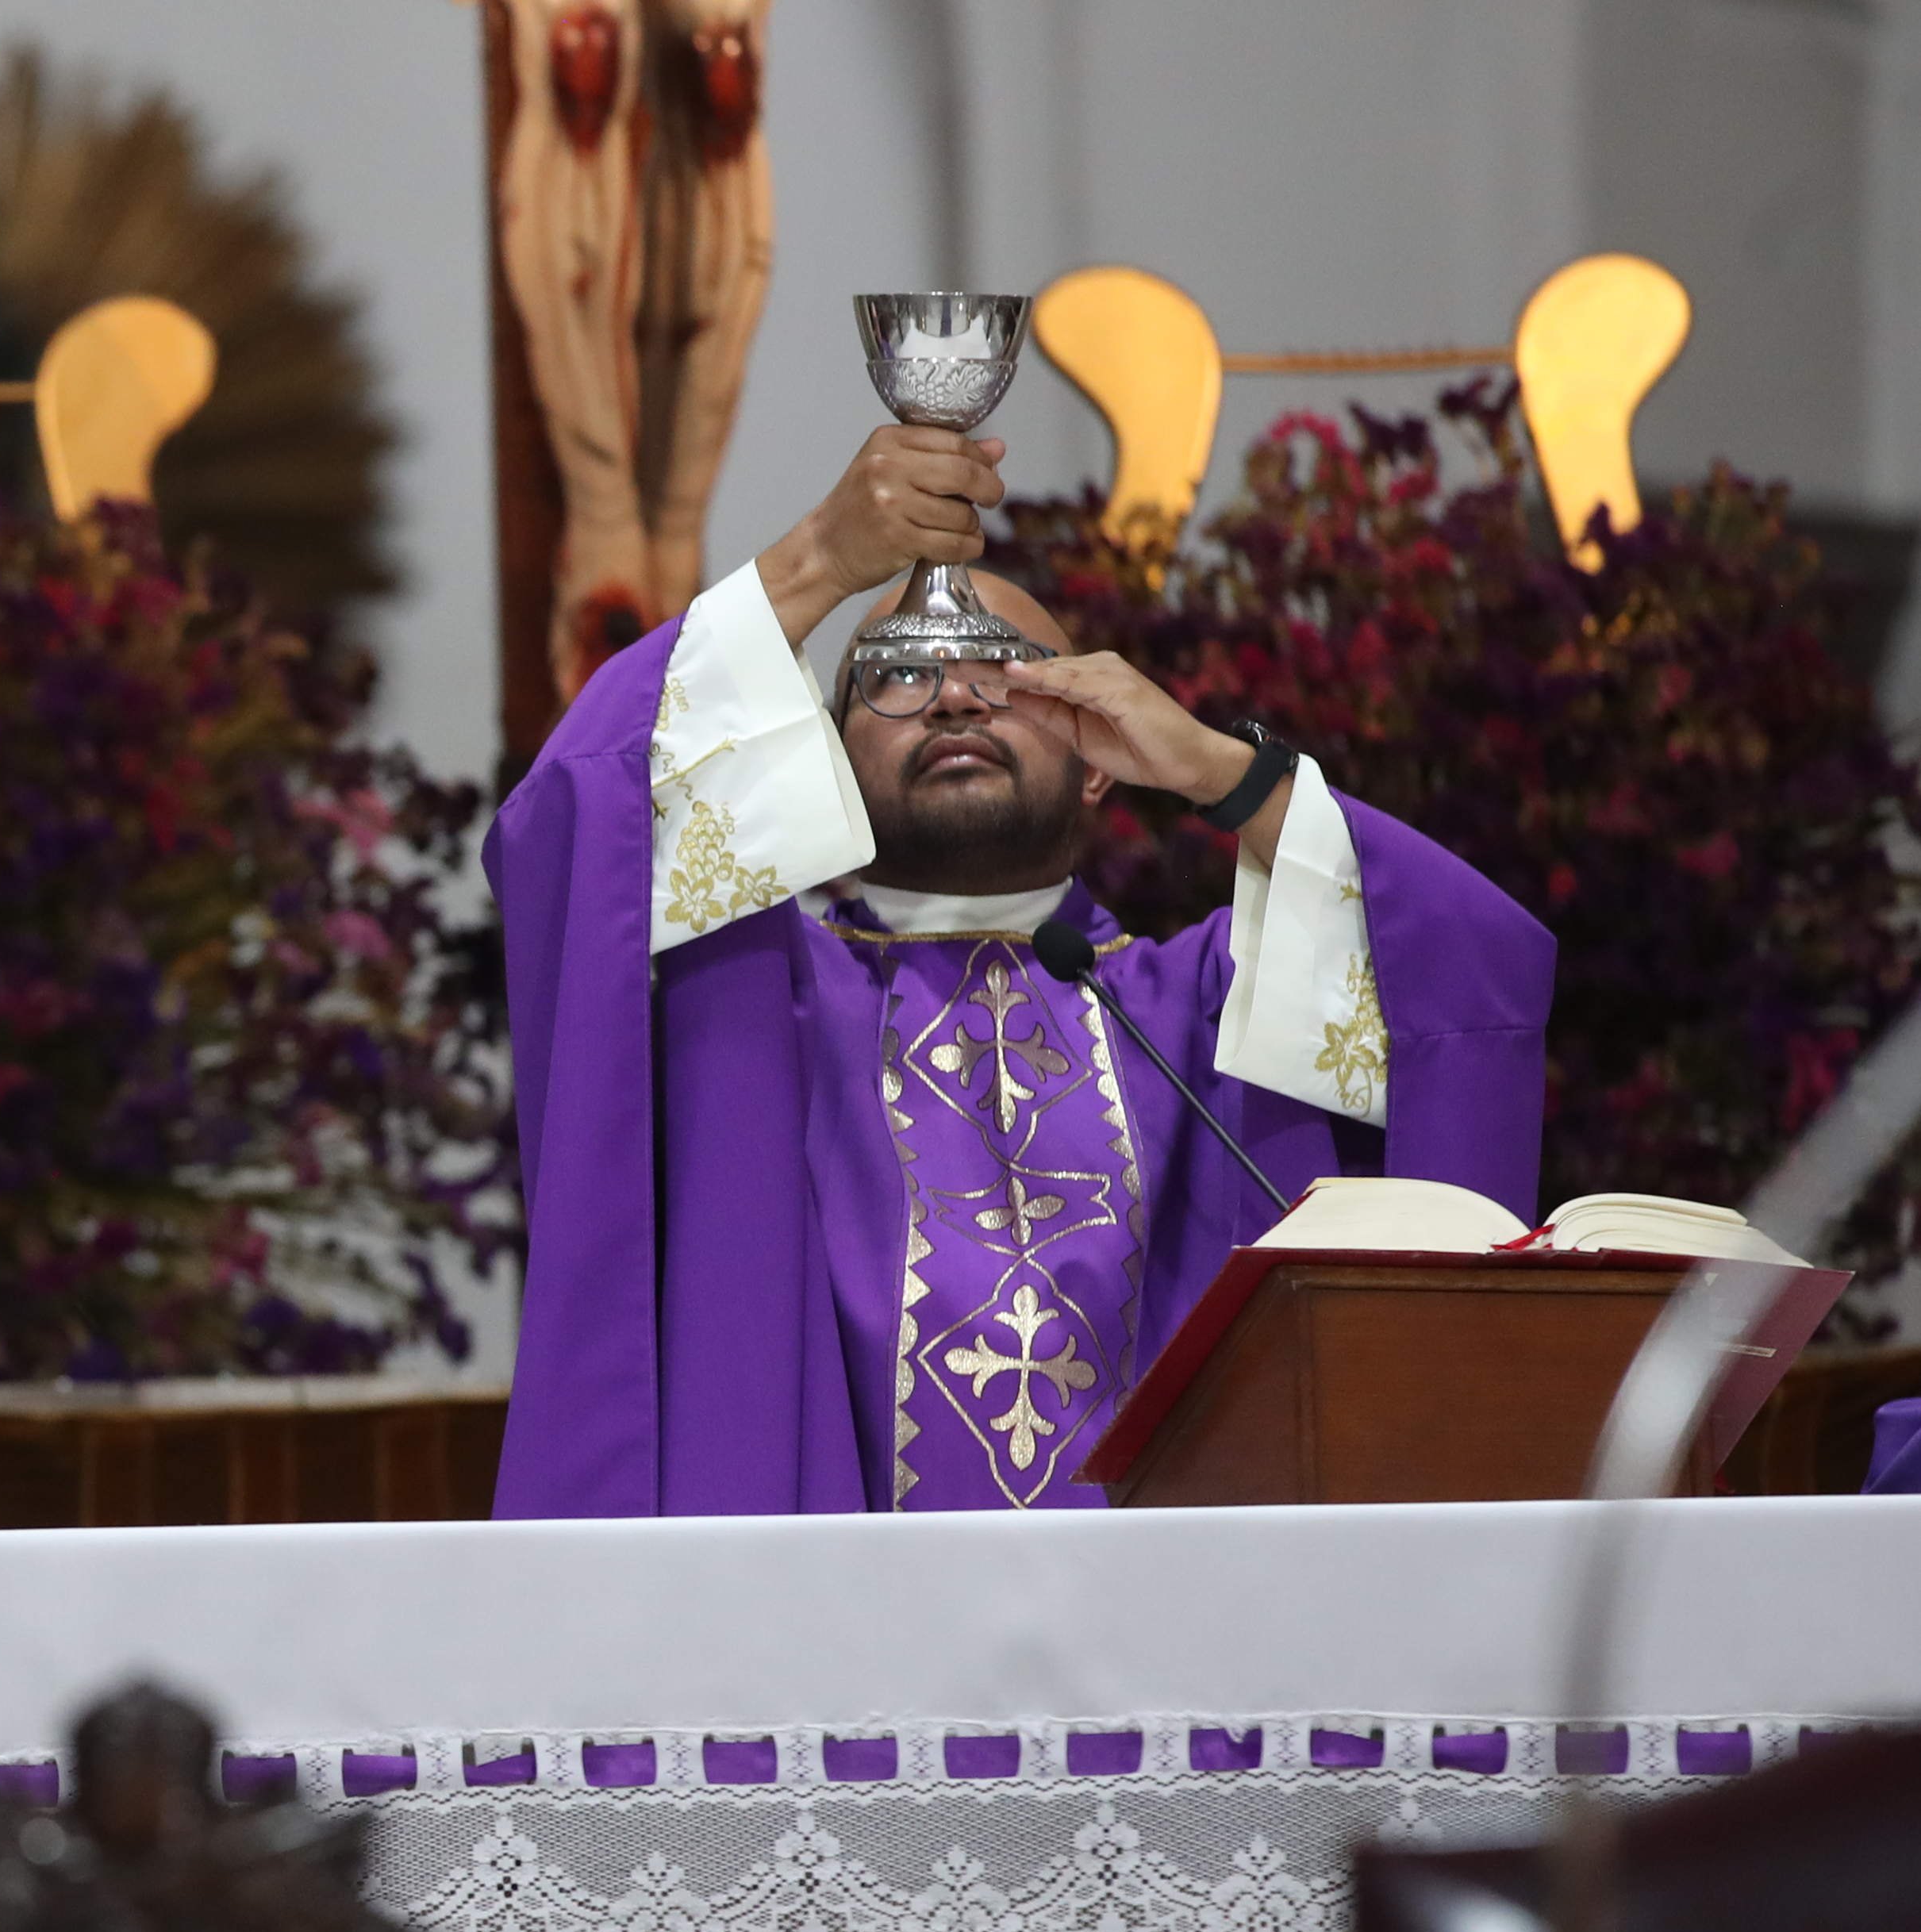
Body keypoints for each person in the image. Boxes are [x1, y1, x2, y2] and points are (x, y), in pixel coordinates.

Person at [492, 427, 1554, 1515]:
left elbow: (1465, 968)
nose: (951, 697)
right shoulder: (741, 1013)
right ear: (824, 763)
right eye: (894, 671)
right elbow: (576, 830)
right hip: (826, 1641)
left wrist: (1214, 768)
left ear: (1101, 757)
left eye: (1004, 668)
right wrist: (816, 560)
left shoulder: (1210, 1014)